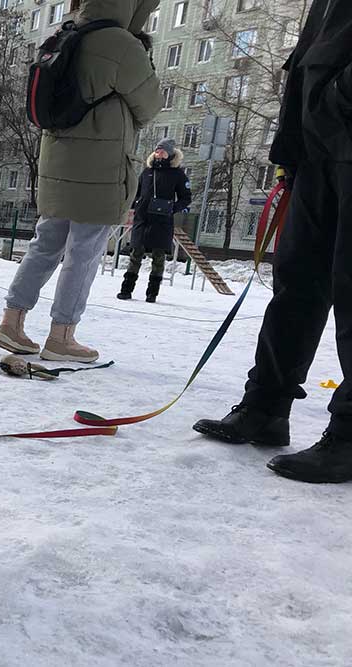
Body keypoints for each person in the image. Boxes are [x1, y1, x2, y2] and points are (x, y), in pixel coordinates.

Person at [193, 0, 352, 483]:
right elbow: (305, 59)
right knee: (296, 282)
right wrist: (289, 145)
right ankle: (265, 406)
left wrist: (336, 97)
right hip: (314, 151)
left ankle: (348, 437)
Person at [0, 0, 161, 363]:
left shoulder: (66, 32)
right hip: (99, 168)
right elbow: (150, 105)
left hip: (57, 161)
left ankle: (12, 321)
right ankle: (61, 336)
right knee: (83, 253)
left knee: (45, 243)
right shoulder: (120, 43)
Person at [118, 137, 192, 303]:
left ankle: (152, 293)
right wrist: (134, 205)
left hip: (162, 222)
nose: (159, 154)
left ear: (170, 154)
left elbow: (186, 198)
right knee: (135, 254)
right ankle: (126, 289)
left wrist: (172, 208)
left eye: (163, 151)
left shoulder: (178, 174)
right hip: (142, 219)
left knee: (158, 257)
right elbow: (136, 192)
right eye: (157, 151)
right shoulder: (147, 172)